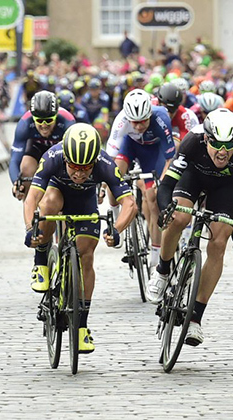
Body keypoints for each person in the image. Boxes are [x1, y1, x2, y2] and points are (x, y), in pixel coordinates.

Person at [23, 123, 137, 353]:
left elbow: (130, 203)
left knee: (86, 257)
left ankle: (82, 326)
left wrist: (116, 229)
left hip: (85, 201)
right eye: (74, 166)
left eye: (85, 168)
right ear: (65, 158)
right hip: (57, 193)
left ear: (94, 162)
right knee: (49, 203)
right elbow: (32, 197)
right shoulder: (53, 156)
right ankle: (40, 263)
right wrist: (30, 229)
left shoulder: (105, 163)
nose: (78, 173)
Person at [152, 109, 233, 346]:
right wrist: (166, 209)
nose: (222, 152)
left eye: (228, 145)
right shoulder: (192, 141)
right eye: (217, 144)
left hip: (225, 188)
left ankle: (195, 319)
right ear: (207, 138)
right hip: (193, 177)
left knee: (219, 243)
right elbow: (166, 186)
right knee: (179, 218)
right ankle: (162, 270)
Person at [106, 89, 176, 266]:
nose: (138, 126)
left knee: (153, 199)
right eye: (134, 122)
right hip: (130, 147)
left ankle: (155, 251)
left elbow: (170, 159)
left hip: (154, 153)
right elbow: (109, 160)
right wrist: (104, 183)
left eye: (143, 121)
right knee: (113, 177)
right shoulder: (121, 121)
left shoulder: (162, 118)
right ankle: (116, 220)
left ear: (150, 114)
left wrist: (163, 183)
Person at [10, 90, 75, 199]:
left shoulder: (67, 121)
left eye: (49, 120)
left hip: (60, 150)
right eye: (39, 121)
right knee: (26, 170)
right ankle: (30, 208)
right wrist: (16, 182)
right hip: (36, 147)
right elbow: (14, 159)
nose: (44, 125)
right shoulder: (25, 123)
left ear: (56, 116)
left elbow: (74, 156)